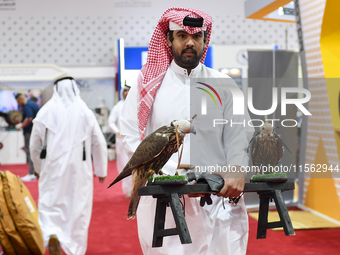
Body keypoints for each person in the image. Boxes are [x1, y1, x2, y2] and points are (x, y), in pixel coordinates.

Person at [120, 7, 254, 255]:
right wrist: (161, 173)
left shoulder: (223, 83)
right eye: (182, 35)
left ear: (205, 39)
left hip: (218, 196)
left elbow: (240, 134)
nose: (190, 42)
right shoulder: (149, 84)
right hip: (166, 197)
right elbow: (129, 133)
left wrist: (237, 169)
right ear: (169, 39)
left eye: (197, 36)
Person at [29, 77, 108, 255]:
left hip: (51, 167)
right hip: (80, 169)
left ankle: (52, 234)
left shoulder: (45, 111)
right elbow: (99, 142)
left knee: (50, 203)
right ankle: (74, 248)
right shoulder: (85, 112)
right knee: (78, 206)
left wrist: (38, 167)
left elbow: (35, 144)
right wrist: (101, 169)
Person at [108, 84, 132, 197]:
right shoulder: (118, 107)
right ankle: (128, 189)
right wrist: (117, 131)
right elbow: (110, 122)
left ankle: (137, 188)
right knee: (124, 165)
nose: (127, 93)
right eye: (125, 91)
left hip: (134, 140)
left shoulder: (136, 104)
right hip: (122, 142)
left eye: (129, 91)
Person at [15, 93, 40, 181]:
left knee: (30, 151)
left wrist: (20, 126)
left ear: (21, 99)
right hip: (35, 131)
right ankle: (36, 172)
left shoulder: (27, 105)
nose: (18, 104)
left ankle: (32, 173)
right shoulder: (32, 104)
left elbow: (29, 118)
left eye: (18, 101)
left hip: (30, 132)